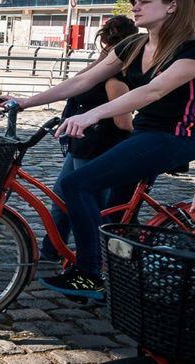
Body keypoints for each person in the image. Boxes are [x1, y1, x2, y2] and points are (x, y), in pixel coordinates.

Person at [2, 0, 195, 300]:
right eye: (134, 2)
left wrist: (93, 114)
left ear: (172, 6)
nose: (135, 8)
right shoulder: (134, 45)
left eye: (143, 1)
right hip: (142, 135)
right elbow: (83, 80)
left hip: (175, 138)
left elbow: (152, 90)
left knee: (77, 184)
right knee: (114, 211)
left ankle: (90, 274)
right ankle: (123, 267)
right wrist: (24, 101)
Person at [40, 16, 138, 263]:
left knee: (89, 206)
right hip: (82, 144)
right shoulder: (103, 69)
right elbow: (77, 82)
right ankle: (53, 250)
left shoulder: (115, 79)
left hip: (98, 147)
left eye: (107, 39)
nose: (105, 46)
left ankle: (97, 261)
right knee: (62, 198)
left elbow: (123, 123)